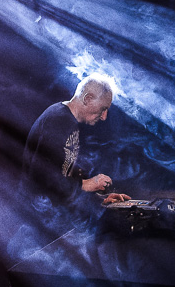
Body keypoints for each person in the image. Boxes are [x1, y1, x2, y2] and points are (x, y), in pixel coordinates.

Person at [20, 75, 129, 217]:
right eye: (103, 109)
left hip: (42, 211)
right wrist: (86, 184)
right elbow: (45, 175)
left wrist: (101, 200)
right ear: (87, 99)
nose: (104, 117)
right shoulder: (59, 121)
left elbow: (64, 175)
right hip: (33, 214)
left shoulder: (66, 121)